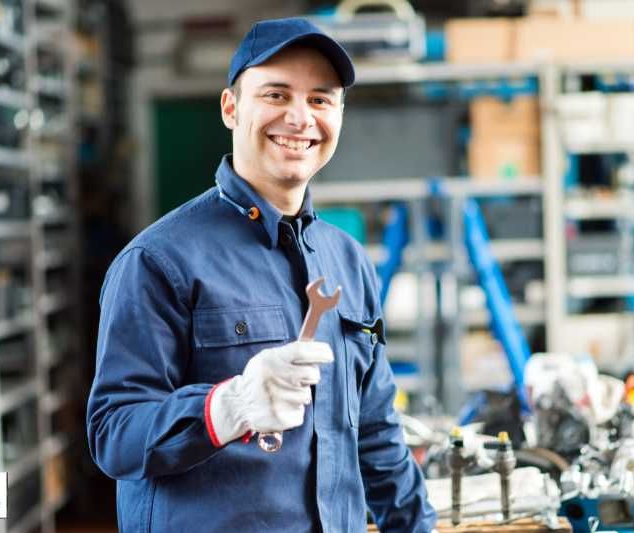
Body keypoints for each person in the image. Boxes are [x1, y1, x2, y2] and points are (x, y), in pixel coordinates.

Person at [86, 17, 437, 532]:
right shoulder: (158, 261)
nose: (300, 118)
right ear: (231, 107)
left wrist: (415, 526)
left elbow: (376, 431)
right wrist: (229, 407)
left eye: (320, 99)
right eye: (276, 95)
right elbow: (113, 434)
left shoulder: (348, 260)